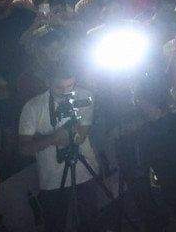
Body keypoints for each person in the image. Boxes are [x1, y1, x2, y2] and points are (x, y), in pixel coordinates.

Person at [18, 62, 103, 232]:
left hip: (84, 171)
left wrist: (50, 138)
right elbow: (24, 148)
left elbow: (80, 136)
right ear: (48, 82)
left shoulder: (85, 96)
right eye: (59, 88)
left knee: (92, 223)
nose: (65, 92)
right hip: (52, 180)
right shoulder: (33, 107)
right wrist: (53, 138)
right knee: (55, 225)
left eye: (70, 86)